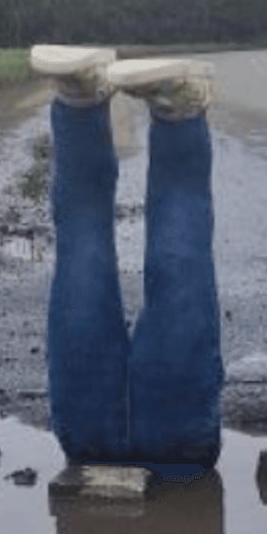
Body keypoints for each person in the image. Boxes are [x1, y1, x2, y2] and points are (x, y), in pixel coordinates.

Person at [31, 45, 224, 472]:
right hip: (167, 439)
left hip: (91, 445)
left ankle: (175, 110)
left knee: (166, 247)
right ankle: (81, 100)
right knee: (85, 240)